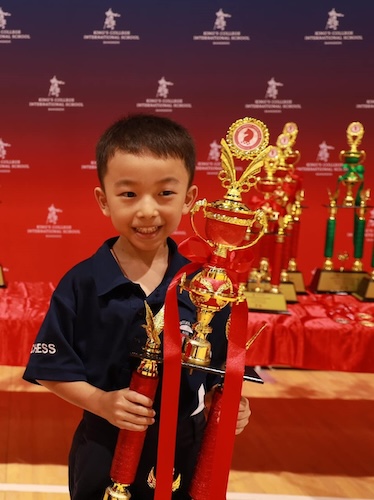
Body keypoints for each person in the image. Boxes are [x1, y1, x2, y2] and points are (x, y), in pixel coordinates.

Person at [23, 114, 251, 499]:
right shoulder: (82, 282)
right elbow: (50, 369)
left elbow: (221, 368)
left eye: (165, 193)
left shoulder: (208, 286)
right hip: (105, 441)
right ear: (103, 200)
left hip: (185, 447)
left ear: (190, 198)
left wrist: (227, 405)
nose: (147, 211)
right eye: (128, 194)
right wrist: (100, 401)